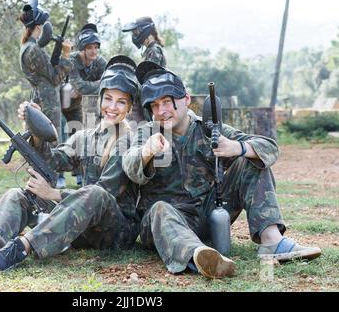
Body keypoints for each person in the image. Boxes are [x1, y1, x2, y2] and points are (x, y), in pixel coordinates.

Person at [122, 61, 322, 279]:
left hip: (208, 214)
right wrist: (147, 151)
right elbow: (130, 166)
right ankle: (199, 255)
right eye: (154, 105)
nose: (161, 111)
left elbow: (270, 148)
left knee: (251, 159)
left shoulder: (209, 130)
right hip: (165, 225)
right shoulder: (147, 133)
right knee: (160, 208)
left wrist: (238, 147)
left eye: (167, 102)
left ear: (186, 100)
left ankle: (272, 241)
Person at [0, 55, 141, 272]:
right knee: (17, 195)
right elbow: (53, 160)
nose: (112, 107)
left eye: (121, 102)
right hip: (81, 228)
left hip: (115, 234)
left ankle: (20, 249)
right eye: (108, 99)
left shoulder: (130, 141)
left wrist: (53, 194)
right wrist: (36, 127)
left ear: (129, 108)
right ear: (100, 99)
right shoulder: (84, 137)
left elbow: (104, 193)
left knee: (95, 192)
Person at [18, 0, 72, 188]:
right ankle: (49, 185)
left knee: (42, 141)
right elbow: (55, 78)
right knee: (50, 141)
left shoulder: (28, 47)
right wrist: (66, 56)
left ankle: (45, 183)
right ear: (39, 26)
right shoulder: (33, 49)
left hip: (41, 97)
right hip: (47, 100)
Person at [64, 23, 107, 185]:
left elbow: (106, 82)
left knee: (81, 135)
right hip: (62, 101)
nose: (94, 51)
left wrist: (86, 89)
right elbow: (78, 86)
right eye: (90, 48)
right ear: (83, 48)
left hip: (80, 104)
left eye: (96, 47)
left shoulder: (100, 61)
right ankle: (59, 176)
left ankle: (81, 174)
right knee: (60, 137)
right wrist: (94, 85)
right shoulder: (73, 59)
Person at [122, 16, 166, 123]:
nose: (135, 35)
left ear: (145, 31)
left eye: (136, 32)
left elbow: (149, 77)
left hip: (153, 95)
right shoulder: (150, 50)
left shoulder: (154, 50)